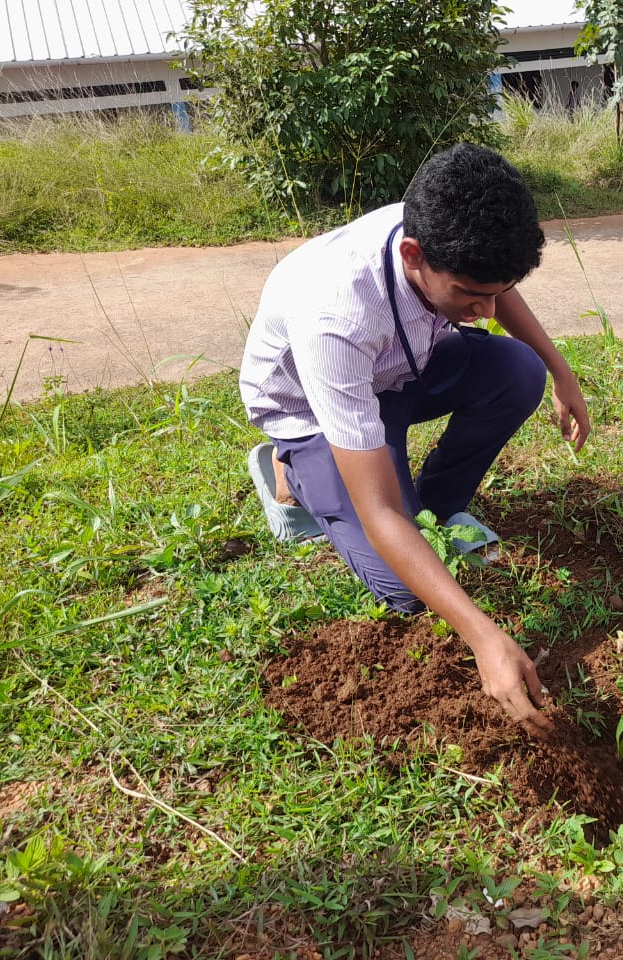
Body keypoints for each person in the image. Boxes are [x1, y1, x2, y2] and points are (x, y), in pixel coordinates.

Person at [239, 144, 590, 730]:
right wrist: (484, 637)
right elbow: (377, 511)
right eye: (470, 296)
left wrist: (560, 370)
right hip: (315, 408)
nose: (486, 310)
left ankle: (436, 505)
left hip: (398, 369)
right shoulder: (336, 318)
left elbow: (491, 287)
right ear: (413, 255)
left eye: (495, 292)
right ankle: (290, 465)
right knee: (401, 590)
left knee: (518, 371)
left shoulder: (443, 231)